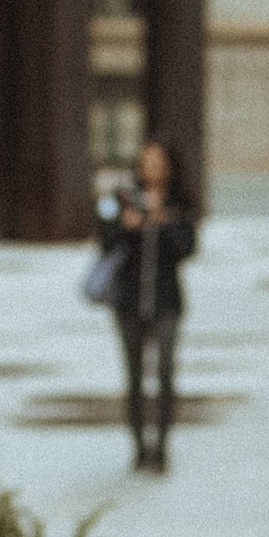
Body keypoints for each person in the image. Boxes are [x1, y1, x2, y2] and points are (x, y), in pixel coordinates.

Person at [94, 140, 197, 473]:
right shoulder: (123, 198)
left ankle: (162, 448)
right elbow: (104, 240)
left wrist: (163, 224)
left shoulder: (179, 202)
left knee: (166, 375)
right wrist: (126, 226)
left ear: (168, 167)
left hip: (167, 301)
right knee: (135, 378)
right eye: (145, 162)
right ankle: (139, 449)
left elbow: (188, 248)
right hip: (129, 302)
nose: (150, 168)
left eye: (157, 162)